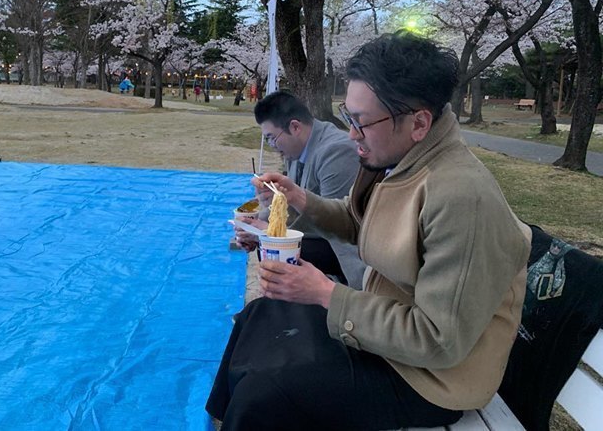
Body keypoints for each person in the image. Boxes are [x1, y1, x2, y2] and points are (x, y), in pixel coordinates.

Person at [206, 32, 532, 430]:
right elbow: (357, 219)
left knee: (265, 393)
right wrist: (299, 199)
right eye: (349, 117)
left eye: (361, 122)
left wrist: (325, 293)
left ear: (418, 123)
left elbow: (437, 340)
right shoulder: (399, 160)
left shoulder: (462, 197)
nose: (351, 134)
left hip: (431, 381)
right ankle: (222, 419)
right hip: (387, 339)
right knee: (261, 315)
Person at [235, 91, 364, 287]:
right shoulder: (298, 150)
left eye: (272, 138)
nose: (272, 146)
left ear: (295, 127)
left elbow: (336, 223)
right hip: (326, 236)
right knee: (269, 246)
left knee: (274, 249)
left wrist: (268, 233)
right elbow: (293, 205)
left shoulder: (336, 152)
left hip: (346, 249)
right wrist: (253, 225)